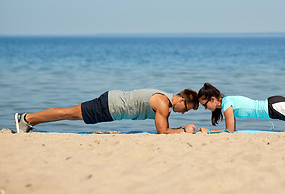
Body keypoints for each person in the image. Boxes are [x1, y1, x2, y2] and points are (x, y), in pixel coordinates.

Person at [15, 88, 199, 134]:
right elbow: (163, 132)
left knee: (70, 114)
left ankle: (29, 121)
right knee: (69, 114)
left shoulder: (164, 99)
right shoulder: (163, 103)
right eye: (186, 109)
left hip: (112, 106)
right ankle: (27, 118)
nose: (183, 113)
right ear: (182, 99)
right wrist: (183, 130)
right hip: (110, 106)